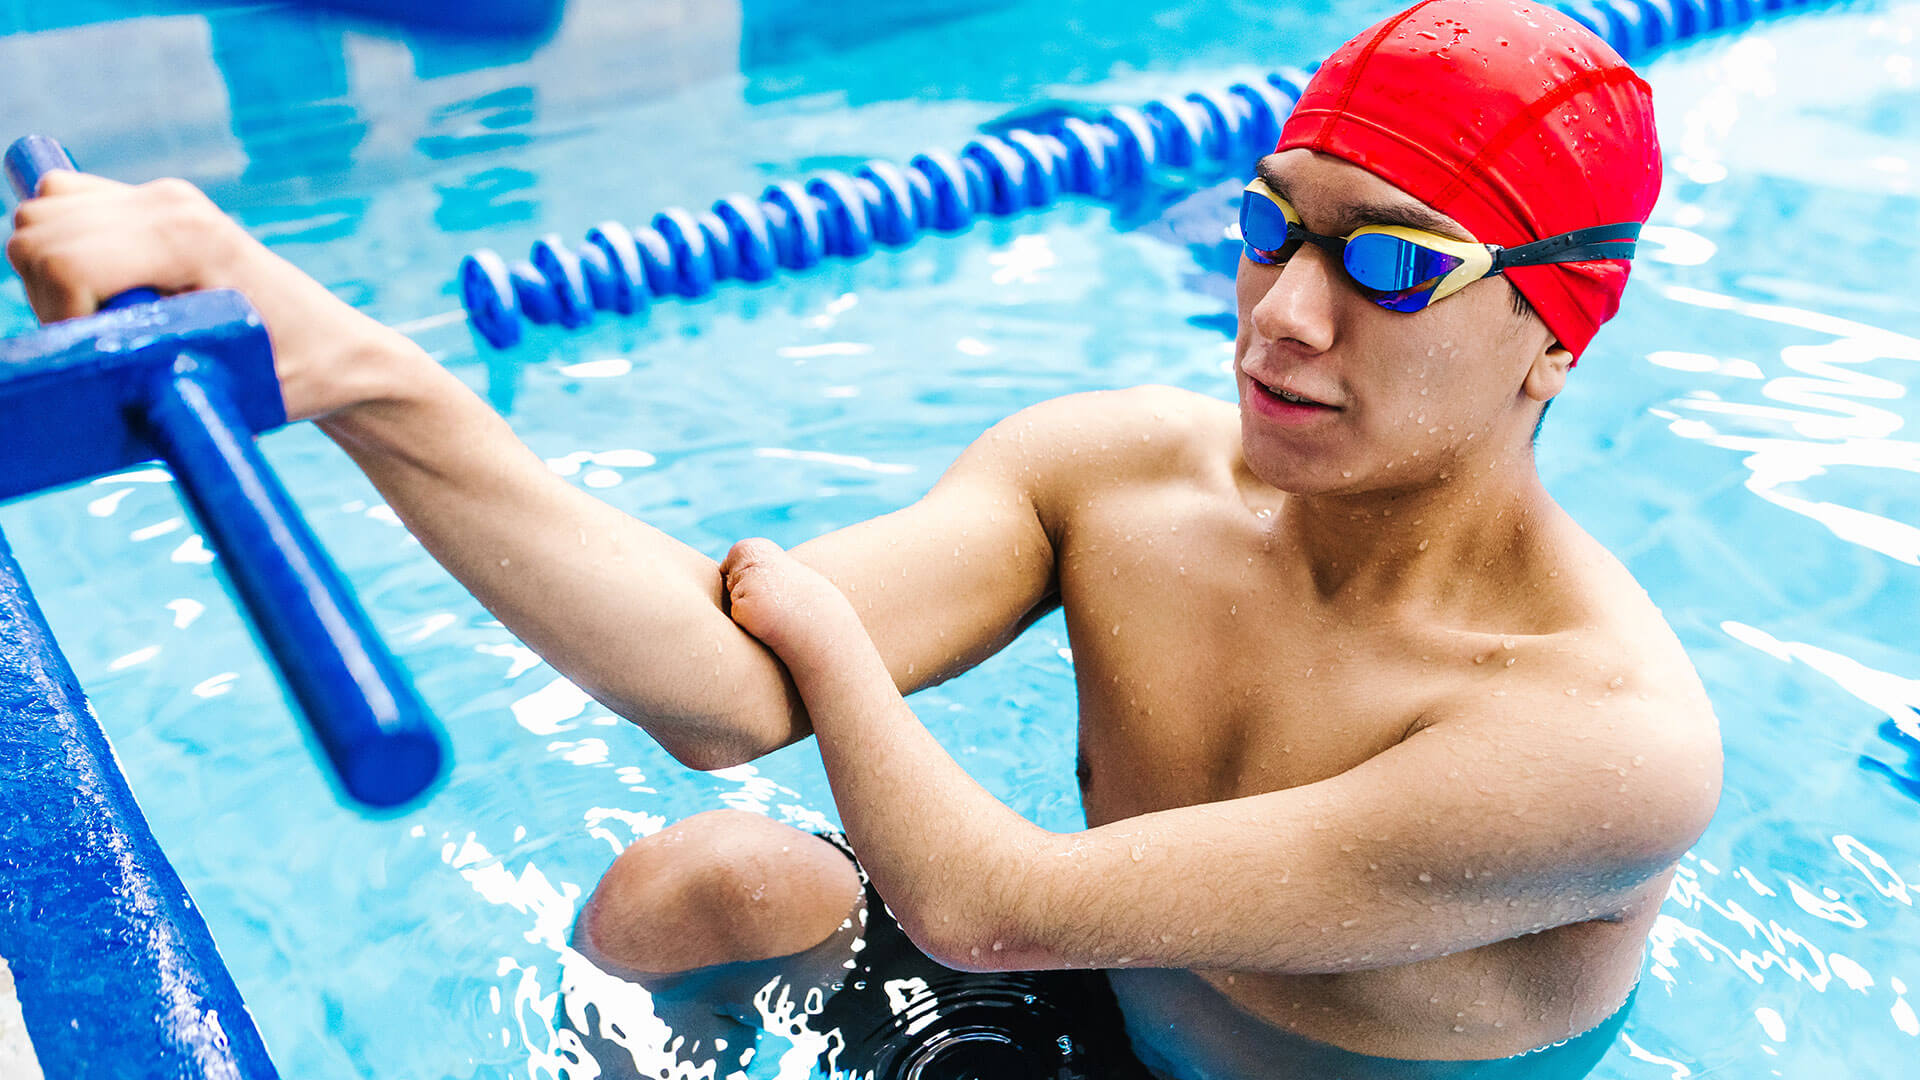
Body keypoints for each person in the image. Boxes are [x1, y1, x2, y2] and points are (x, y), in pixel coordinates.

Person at [6, 0, 1722, 1075]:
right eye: (1271, 230)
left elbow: (993, 908)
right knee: (702, 881)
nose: (1280, 315)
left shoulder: (1601, 744)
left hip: (1066, 958)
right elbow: (709, 695)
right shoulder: (1122, 475)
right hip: (1089, 1024)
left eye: (1393, 264)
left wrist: (825, 634)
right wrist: (347, 360)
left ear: (1559, 335)